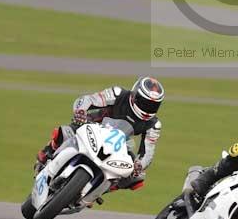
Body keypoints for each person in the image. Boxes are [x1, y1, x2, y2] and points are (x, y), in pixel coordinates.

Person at [34, 76, 165, 191]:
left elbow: (147, 153)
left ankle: (101, 188)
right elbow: (90, 99)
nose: (148, 108)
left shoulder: (154, 124)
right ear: (135, 95)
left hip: (120, 143)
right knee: (65, 132)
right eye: (145, 103)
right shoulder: (118, 93)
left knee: (137, 178)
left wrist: (139, 165)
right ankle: (46, 154)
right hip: (93, 124)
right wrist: (81, 112)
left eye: (153, 105)